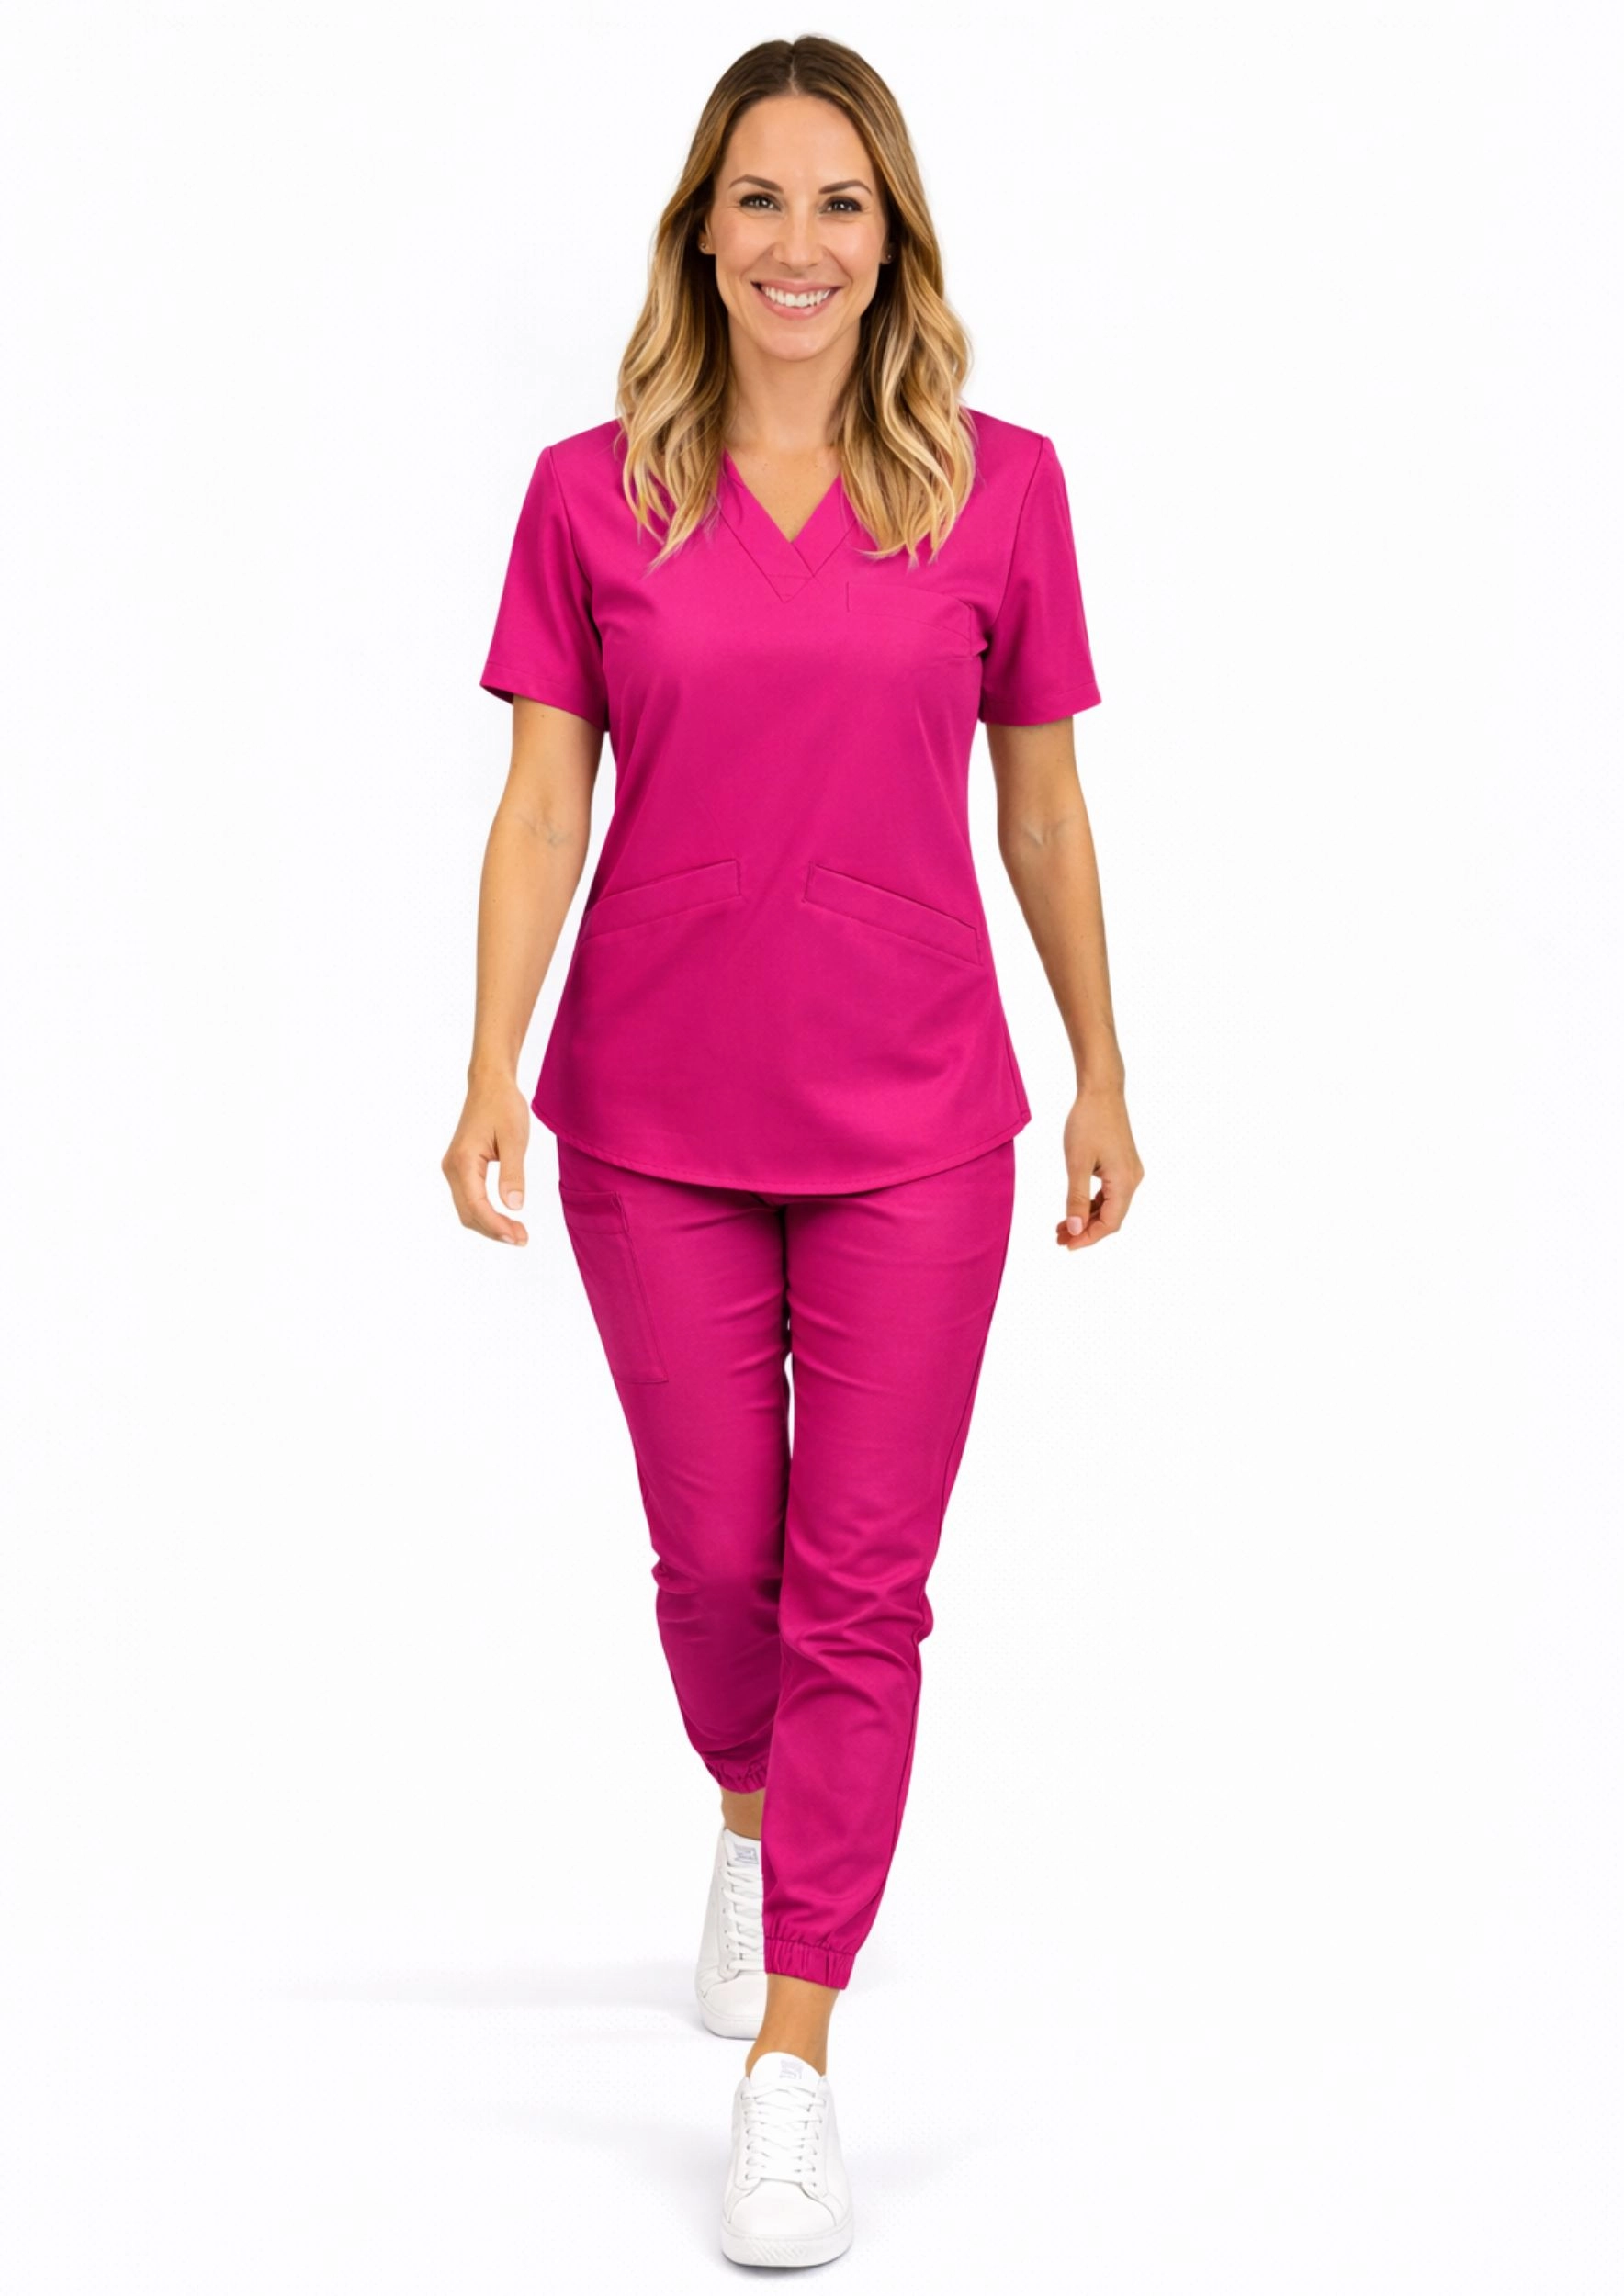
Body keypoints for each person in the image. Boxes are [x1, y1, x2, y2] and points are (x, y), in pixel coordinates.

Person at [443, 34, 1143, 2271]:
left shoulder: (999, 491)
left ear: (893, 237)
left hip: (915, 1119)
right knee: (712, 1561)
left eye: (840, 202)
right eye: (758, 198)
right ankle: (755, 1810)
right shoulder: (587, 497)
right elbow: (541, 797)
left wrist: (1101, 1065)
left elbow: (1042, 804)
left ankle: (792, 2062)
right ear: (700, 232)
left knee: (860, 1585)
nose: (798, 244)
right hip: (649, 1111)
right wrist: (487, 1060)